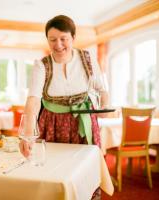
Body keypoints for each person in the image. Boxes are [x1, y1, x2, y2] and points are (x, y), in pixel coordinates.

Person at [19, 15, 109, 199]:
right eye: (52, 40)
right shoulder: (41, 65)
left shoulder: (88, 58)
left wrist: (104, 106)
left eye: (63, 39)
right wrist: (27, 135)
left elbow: (102, 89)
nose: (58, 45)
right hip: (52, 123)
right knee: (53, 170)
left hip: (83, 123)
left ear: (73, 38)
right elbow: (33, 100)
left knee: (84, 170)